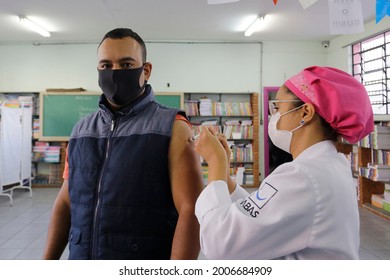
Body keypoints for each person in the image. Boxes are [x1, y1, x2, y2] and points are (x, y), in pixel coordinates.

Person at [42, 28, 204, 260]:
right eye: (106, 65)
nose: (115, 72)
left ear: (146, 71)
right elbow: (66, 200)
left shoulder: (173, 127)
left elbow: (191, 210)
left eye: (126, 65)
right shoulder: (81, 131)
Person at [194, 66, 374, 260]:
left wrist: (215, 162)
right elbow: (265, 212)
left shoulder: (303, 176)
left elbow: (219, 243)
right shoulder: (329, 164)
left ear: (305, 112)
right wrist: (226, 179)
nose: (273, 117)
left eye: (277, 108)